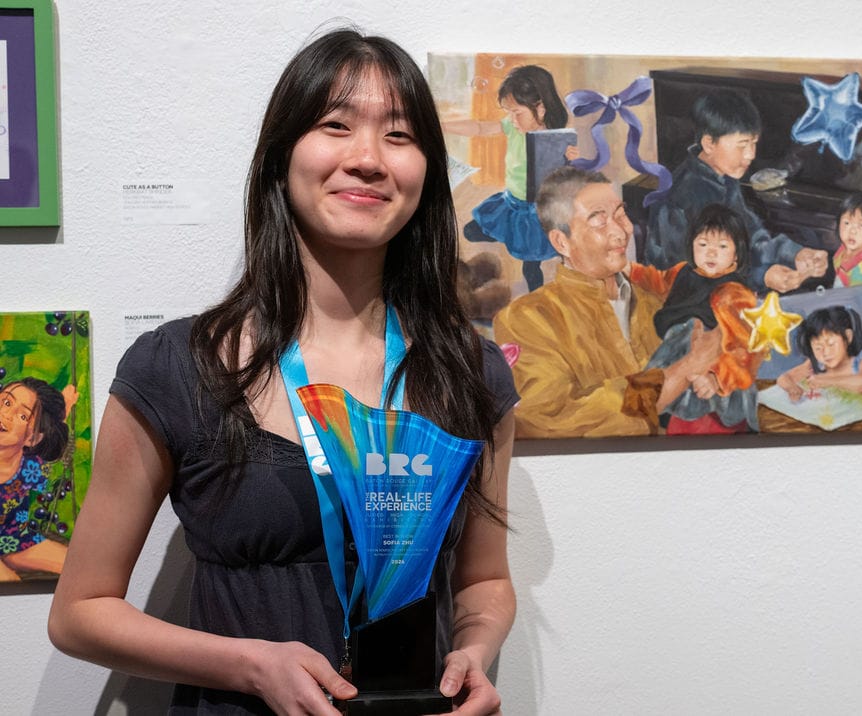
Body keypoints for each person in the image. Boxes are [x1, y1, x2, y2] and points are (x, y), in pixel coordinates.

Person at [49, 29, 516, 715]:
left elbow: (484, 582)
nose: (367, 159)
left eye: (399, 135)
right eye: (335, 126)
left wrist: (472, 654)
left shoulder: (470, 374)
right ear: (281, 156)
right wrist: (251, 665)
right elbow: (79, 612)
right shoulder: (177, 369)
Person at [492, 166, 721, 438]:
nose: (621, 232)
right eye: (599, 221)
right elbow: (553, 418)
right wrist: (683, 371)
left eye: (621, 215)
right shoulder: (526, 319)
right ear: (561, 242)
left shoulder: (653, 305)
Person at [643, 87, 828, 293]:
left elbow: (752, 235)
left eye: (753, 143)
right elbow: (688, 277)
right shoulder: (680, 198)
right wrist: (762, 277)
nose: (750, 154)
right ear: (709, 143)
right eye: (742, 145)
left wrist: (795, 254)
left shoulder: (725, 178)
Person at [638, 204, 766, 434]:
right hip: (681, 358)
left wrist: (717, 378)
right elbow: (658, 279)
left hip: (716, 374)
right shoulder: (684, 272)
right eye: (703, 244)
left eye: (722, 246)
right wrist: (629, 270)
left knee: (704, 424)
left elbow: (743, 348)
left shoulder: (734, 293)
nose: (711, 253)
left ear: (737, 254)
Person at [443, 65, 569, 292]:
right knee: (470, 231)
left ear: (540, 109)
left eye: (517, 113)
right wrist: (442, 125)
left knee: (531, 261)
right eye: (509, 113)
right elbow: (480, 128)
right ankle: (511, 235)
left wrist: (571, 158)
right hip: (512, 202)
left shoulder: (553, 140)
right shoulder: (512, 127)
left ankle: (536, 295)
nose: (512, 119)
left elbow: (566, 180)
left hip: (537, 210)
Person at [0, 377, 73, 581]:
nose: (5, 414)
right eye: (6, 402)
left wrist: (65, 405)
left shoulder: (31, 467)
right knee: (11, 581)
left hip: (15, 541)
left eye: (23, 416)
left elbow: (51, 429)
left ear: (32, 438)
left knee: (78, 566)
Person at [776, 305, 862, 401]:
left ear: (848, 337)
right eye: (818, 348)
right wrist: (792, 388)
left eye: (831, 344)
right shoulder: (814, 364)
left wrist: (826, 381)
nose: (825, 353)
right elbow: (784, 378)